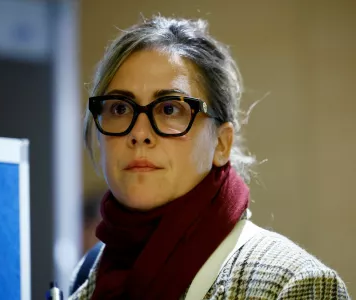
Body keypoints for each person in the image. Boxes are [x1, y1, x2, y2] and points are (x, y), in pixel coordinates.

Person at [69, 16, 350, 299]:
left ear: (221, 143)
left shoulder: (293, 284)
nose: (139, 133)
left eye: (169, 109)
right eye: (120, 108)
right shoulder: (88, 272)